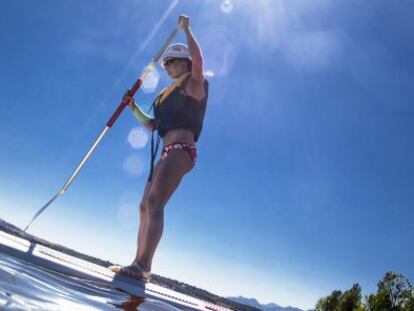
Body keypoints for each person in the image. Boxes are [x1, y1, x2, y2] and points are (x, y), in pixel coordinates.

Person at [110, 15, 209, 282]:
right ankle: (136, 262)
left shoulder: (194, 83)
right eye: (164, 63)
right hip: (166, 150)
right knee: (144, 206)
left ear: (185, 62)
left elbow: (200, 63)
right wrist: (132, 107)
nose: (166, 66)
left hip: (182, 150)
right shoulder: (166, 96)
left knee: (155, 202)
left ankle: (143, 266)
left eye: (171, 61)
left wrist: (187, 30)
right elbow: (153, 126)